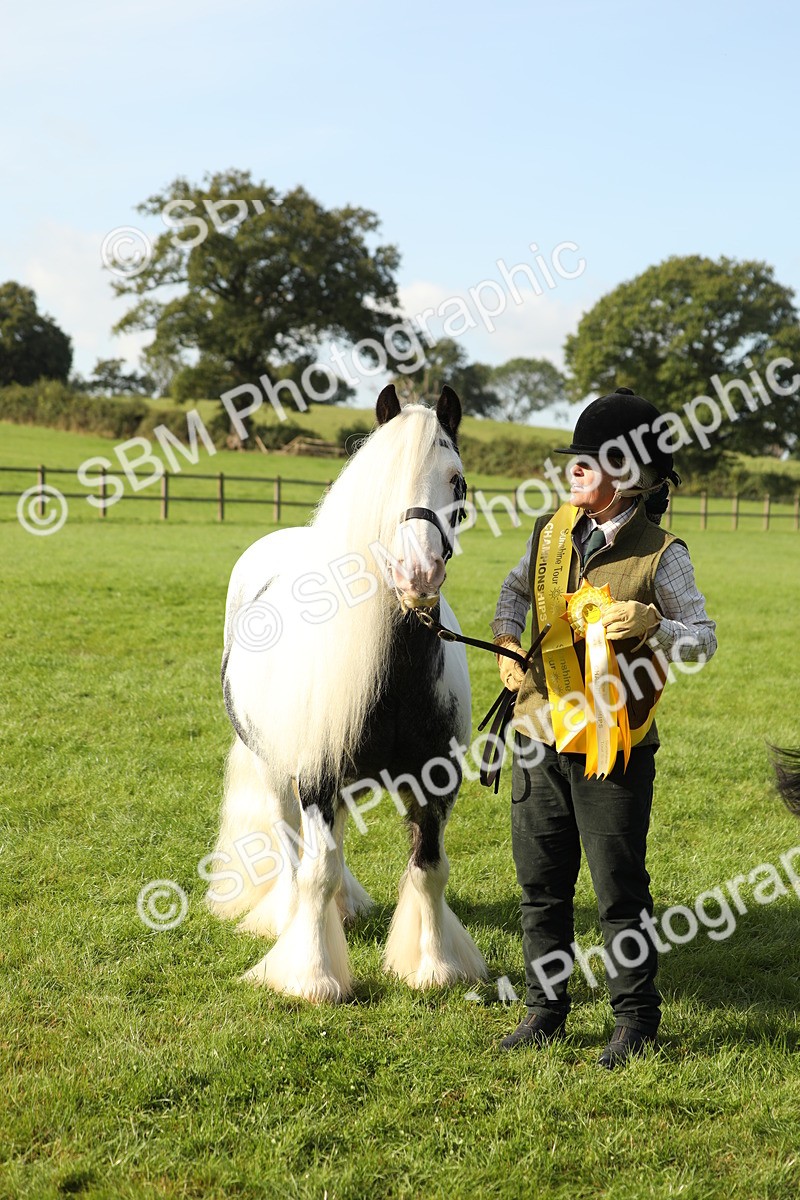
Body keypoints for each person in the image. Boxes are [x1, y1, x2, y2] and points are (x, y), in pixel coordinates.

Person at [491, 386, 717, 1068]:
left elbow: (703, 640)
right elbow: (511, 591)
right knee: (540, 884)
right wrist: (507, 640)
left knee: (619, 889)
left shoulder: (663, 553)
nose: (575, 469)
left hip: (615, 746)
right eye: (576, 458)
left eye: (592, 460)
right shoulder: (551, 531)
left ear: (635, 475)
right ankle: (544, 1010)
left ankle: (635, 1022)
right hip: (537, 732)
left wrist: (656, 623)